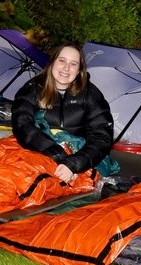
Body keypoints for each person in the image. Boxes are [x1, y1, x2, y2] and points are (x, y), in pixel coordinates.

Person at [12, 44, 114, 183]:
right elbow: (22, 124)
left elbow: (102, 137)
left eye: (73, 64)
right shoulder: (33, 89)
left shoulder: (91, 95)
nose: (66, 68)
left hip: (80, 158)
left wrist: (73, 164)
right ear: (52, 62)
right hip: (40, 152)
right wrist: (57, 155)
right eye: (62, 61)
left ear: (79, 70)